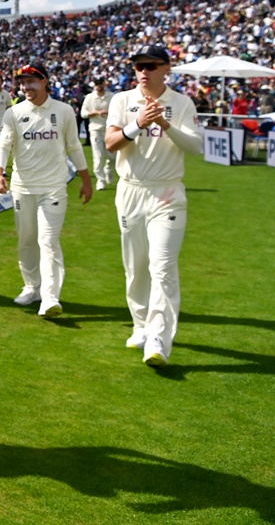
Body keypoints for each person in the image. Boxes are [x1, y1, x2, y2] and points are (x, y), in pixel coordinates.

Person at [105, 45, 203, 367]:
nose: (143, 72)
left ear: (166, 69)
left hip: (168, 194)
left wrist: (166, 124)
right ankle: (140, 326)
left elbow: (196, 146)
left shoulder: (182, 103)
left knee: (162, 267)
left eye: (151, 65)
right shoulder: (122, 101)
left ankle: (159, 339)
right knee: (135, 268)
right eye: (138, 66)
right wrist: (139, 124)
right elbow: (110, 144)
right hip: (131, 191)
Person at [0, 63, 92, 319]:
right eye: (23, 83)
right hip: (23, 188)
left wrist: (85, 178)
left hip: (53, 188)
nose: (26, 87)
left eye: (31, 82)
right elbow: (3, 146)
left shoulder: (64, 110)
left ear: (45, 82)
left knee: (47, 241)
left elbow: (74, 146)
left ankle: (49, 297)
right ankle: (31, 287)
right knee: (26, 238)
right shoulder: (13, 113)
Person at [80, 79, 116, 190]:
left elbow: (118, 111)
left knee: (113, 156)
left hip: (110, 129)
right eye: (97, 84)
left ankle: (108, 170)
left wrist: (108, 113)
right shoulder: (89, 97)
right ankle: (100, 181)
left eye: (101, 84)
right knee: (98, 157)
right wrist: (95, 113)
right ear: (94, 85)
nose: (99, 86)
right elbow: (83, 114)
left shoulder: (111, 96)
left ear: (104, 84)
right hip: (95, 130)